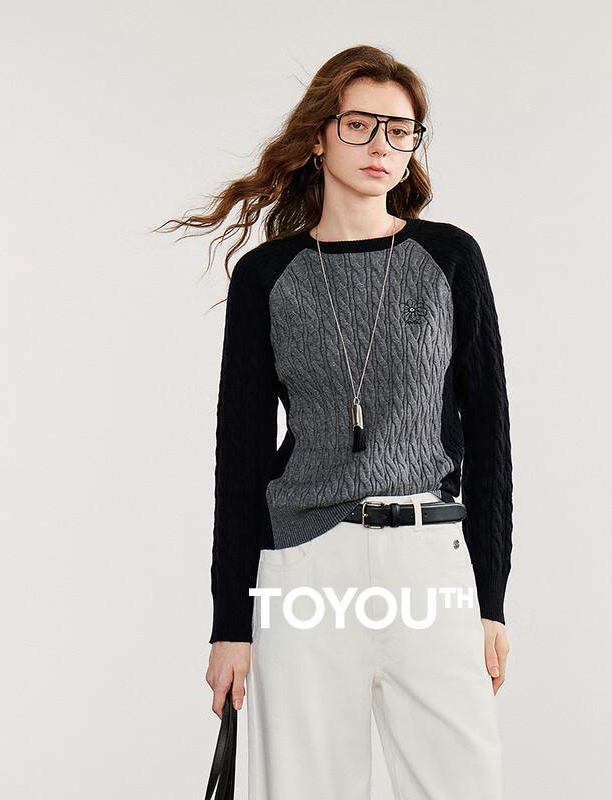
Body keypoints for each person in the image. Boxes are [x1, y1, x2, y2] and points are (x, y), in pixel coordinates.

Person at [167, 44, 513, 800]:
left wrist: (490, 600)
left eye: (401, 130)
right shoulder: (268, 275)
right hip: (305, 568)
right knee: (304, 786)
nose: (381, 145)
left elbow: (490, 437)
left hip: (429, 561)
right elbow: (241, 453)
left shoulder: (450, 258)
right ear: (320, 136)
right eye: (360, 125)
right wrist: (230, 624)